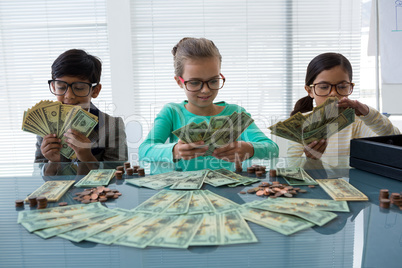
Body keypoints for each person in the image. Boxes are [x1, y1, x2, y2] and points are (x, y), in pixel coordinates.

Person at [139, 37, 278, 171]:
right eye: (194, 82)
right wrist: (175, 150)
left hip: (228, 193)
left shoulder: (236, 113)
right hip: (185, 193)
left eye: (213, 81)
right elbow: (144, 150)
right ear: (179, 81)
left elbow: (272, 148)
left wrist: (250, 149)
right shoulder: (171, 112)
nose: (205, 90)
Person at [287, 52, 400, 160]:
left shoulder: (359, 122)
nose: (333, 93)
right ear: (309, 90)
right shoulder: (299, 125)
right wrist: (309, 160)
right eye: (324, 87)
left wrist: (366, 112)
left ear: (350, 86)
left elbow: (395, 140)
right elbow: (290, 170)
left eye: (341, 86)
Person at [35, 49, 128, 164]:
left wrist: (87, 158)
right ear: (54, 87)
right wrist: (54, 162)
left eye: (79, 88)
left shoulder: (113, 126)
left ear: (95, 90)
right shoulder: (45, 125)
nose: (69, 96)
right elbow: (38, 174)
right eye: (61, 87)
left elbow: (118, 175)